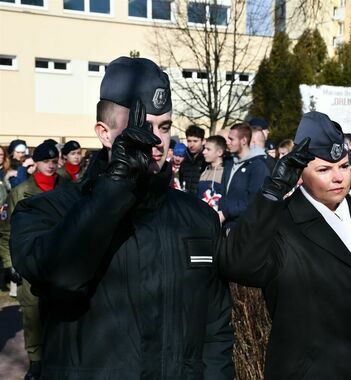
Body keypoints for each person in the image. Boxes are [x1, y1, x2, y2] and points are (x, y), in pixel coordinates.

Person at [9, 56, 234, 379]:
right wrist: (116, 187)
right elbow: (59, 278)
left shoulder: (197, 218)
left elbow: (216, 329)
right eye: (142, 128)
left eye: (165, 127)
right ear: (104, 133)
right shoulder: (48, 210)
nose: (156, 141)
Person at [219, 111, 351, 379]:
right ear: (301, 173)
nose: (338, 177)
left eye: (343, 166)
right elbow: (238, 265)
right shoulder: (280, 222)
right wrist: (274, 189)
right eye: (324, 169)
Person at [1, 140, 61, 379]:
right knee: (32, 316)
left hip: (60, 265)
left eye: (54, 161)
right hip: (30, 265)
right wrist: (9, 264)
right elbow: (6, 232)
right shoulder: (20, 192)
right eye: (45, 161)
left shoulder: (67, 188)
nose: (50, 166)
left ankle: (57, 361)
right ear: (35, 163)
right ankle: (35, 364)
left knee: (60, 316)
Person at [218, 123, 269, 231]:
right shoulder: (230, 163)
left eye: (232, 139)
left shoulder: (258, 166)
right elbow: (224, 192)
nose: (228, 142)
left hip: (244, 229)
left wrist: (226, 212)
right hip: (225, 226)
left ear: (244, 141)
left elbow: (254, 200)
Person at [198, 135, 226, 210]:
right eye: (204, 148)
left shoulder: (225, 173)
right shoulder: (204, 172)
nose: (204, 152)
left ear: (219, 152)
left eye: (208, 149)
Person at [180, 125, 207, 195]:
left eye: (195, 141)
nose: (191, 145)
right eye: (189, 141)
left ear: (203, 141)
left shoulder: (207, 160)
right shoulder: (184, 159)